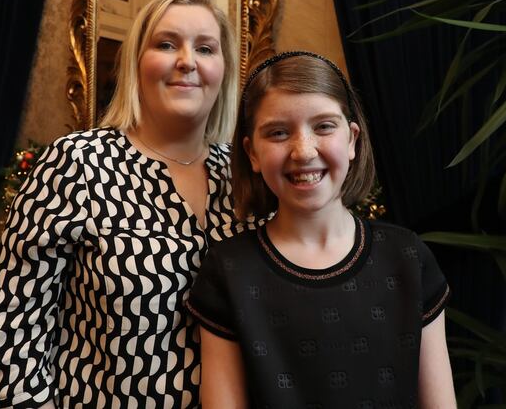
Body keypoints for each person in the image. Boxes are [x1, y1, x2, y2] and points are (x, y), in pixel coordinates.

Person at [0, 0, 240, 408]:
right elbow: (15, 322)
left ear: (224, 70)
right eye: (166, 44)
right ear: (136, 63)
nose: (187, 61)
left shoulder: (244, 175)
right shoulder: (76, 164)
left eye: (206, 48)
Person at [186, 51, 457, 408]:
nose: (303, 150)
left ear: (352, 139)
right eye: (278, 133)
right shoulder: (229, 269)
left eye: (324, 126)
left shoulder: (406, 256)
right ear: (252, 153)